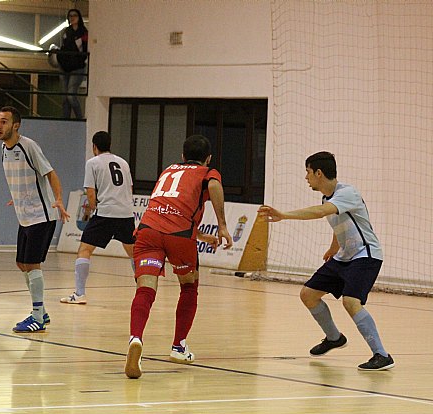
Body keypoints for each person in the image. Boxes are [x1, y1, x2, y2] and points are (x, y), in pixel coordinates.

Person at [258, 151, 394, 371]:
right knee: (308, 295)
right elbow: (339, 222)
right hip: (344, 256)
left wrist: (283, 215)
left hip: (365, 255)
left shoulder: (347, 193)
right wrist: (333, 248)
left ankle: (381, 354)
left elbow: (321, 212)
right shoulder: (328, 197)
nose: (306, 177)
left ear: (318, 173)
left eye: (308, 172)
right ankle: (334, 338)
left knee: (351, 301)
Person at [125, 135, 233, 379]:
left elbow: (171, 213)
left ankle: (135, 338)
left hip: (148, 230)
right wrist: (222, 225)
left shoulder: (168, 170)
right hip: (179, 237)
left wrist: (204, 237)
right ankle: (178, 346)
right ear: (208, 159)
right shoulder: (207, 172)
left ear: (182, 156)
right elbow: (214, 186)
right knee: (189, 287)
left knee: (144, 291)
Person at [0, 106, 70, 333]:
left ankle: (37, 315)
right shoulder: (3, 148)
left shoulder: (29, 146)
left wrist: (58, 198)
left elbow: (50, 173)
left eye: (4, 122)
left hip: (42, 215)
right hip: (25, 217)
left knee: (32, 264)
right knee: (22, 263)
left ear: (16, 125)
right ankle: (42, 312)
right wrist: (17, 197)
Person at [61, 131, 135, 305]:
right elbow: (129, 189)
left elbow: (90, 192)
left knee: (84, 250)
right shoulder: (123, 162)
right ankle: (144, 291)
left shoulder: (92, 163)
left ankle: (79, 294)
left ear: (94, 146)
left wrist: (94, 208)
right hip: (126, 214)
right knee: (134, 254)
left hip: (105, 213)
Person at [57, 8, 88, 119]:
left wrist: (78, 59)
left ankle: (79, 118)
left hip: (77, 67)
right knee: (65, 97)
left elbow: (84, 50)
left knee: (71, 95)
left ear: (79, 17)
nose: (72, 18)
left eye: (74, 15)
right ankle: (65, 119)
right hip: (64, 66)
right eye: (70, 16)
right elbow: (64, 46)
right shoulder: (66, 31)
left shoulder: (83, 33)